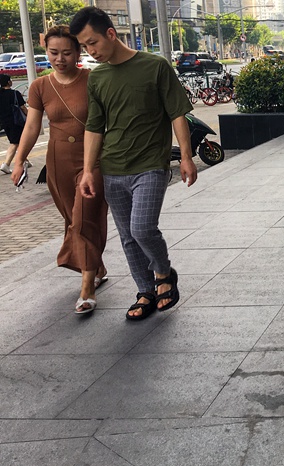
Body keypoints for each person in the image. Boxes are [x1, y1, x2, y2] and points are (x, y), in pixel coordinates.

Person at [70, 7, 197, 320]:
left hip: (151, 164)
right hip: (112, 168)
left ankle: (164, 273)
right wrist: (88, 171)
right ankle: (145, 291)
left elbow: (177, 113)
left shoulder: (154, 66)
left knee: (142, 228)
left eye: (93, 43)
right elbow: (94, 127)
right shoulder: (97, 77)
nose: (90, 51)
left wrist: (186, 156)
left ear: (111, 34)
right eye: (84, 46)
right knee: (127, 236)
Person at [10, 26, 109, 314]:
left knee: (84, 218)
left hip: (93, 159)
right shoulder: (40, 86)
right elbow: (32, 127)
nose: (60, 59)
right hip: (58, 161)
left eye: (67, 52)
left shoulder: (93, 79)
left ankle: (87, 288)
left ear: (78, 52)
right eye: (53, 53)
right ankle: (97, 267)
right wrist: (19, 160)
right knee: (71, 219)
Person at [0, 74, 28, 174]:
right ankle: (6, 164)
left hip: (4, 122)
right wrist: (29, 116)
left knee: (18, 140)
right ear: (8, 82)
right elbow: (23, 107)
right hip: (16, 121)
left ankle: (25, 160)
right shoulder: (15, 93)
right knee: (14, 143)